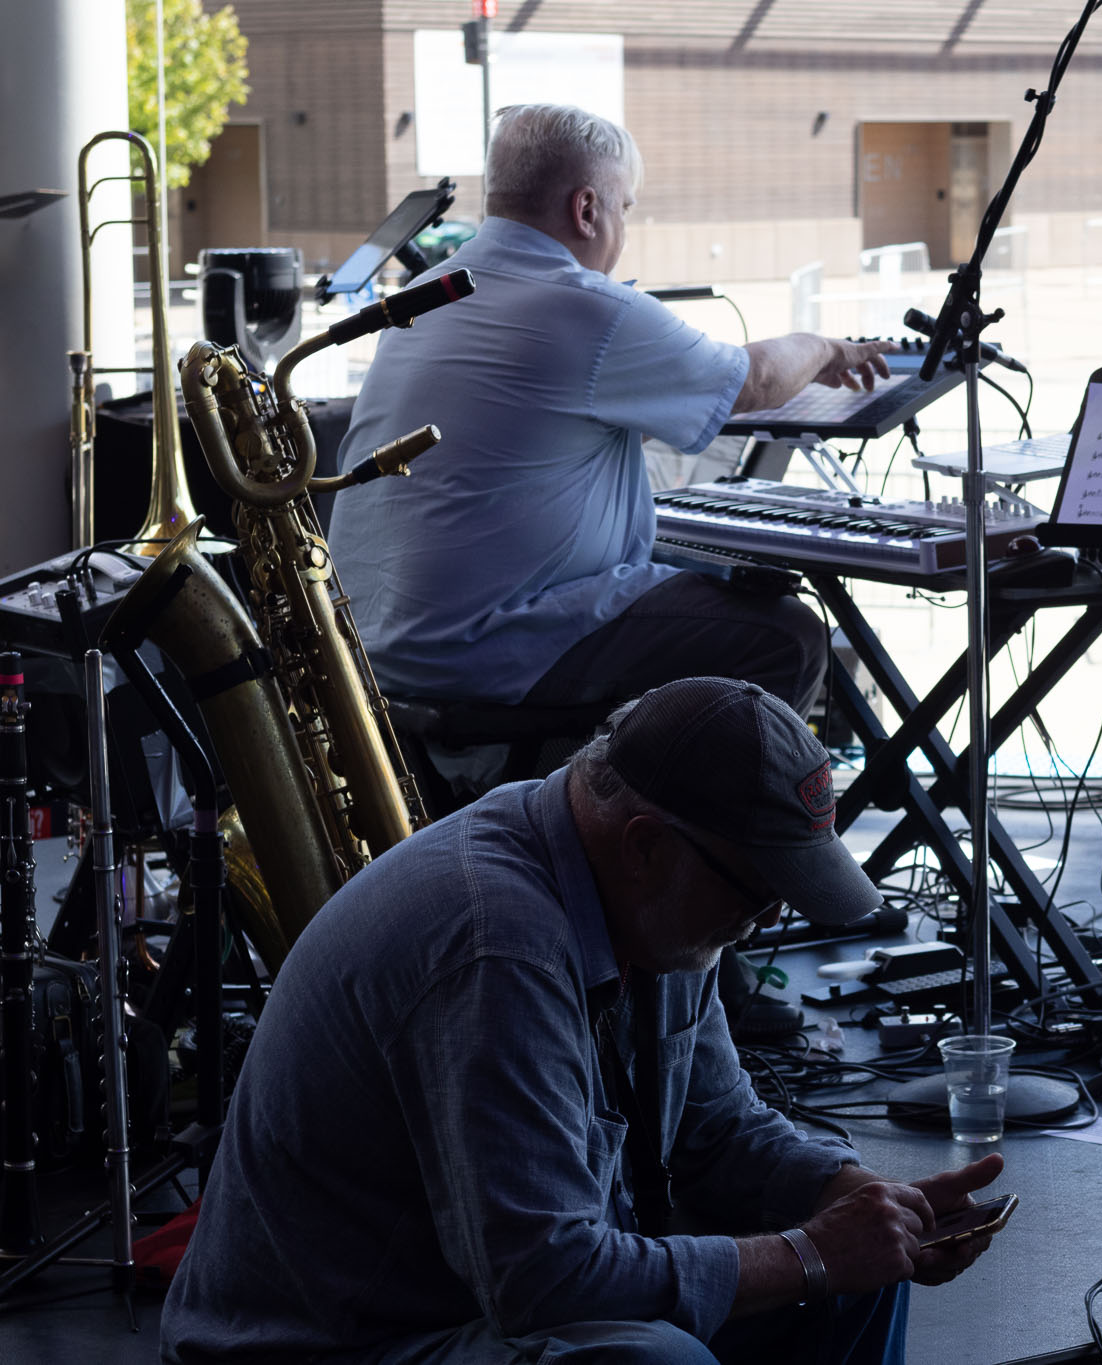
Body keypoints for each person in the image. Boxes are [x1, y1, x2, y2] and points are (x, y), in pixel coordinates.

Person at [161, 677, 1004, 1364]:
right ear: (645, 845)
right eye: (758, 891)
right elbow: (545, 1279)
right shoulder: (496, 948)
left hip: (464, 1311)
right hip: (338, 1346)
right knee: (651, 1362)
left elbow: (717, 1130)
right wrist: (812, 1252)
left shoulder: (650, 901)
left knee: (862, 1271)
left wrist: (859, 1202)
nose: (764, 920)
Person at [327, 104, 893, 719]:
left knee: (685, 590)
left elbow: (527, 432)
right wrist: (826, 348)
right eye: (625, 209)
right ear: (587, 209)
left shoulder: (424, 296)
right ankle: (661, 785)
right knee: (786, 636)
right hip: (484, 648)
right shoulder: (586, 306)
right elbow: (752, 380)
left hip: (371, 644)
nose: (623, 231)